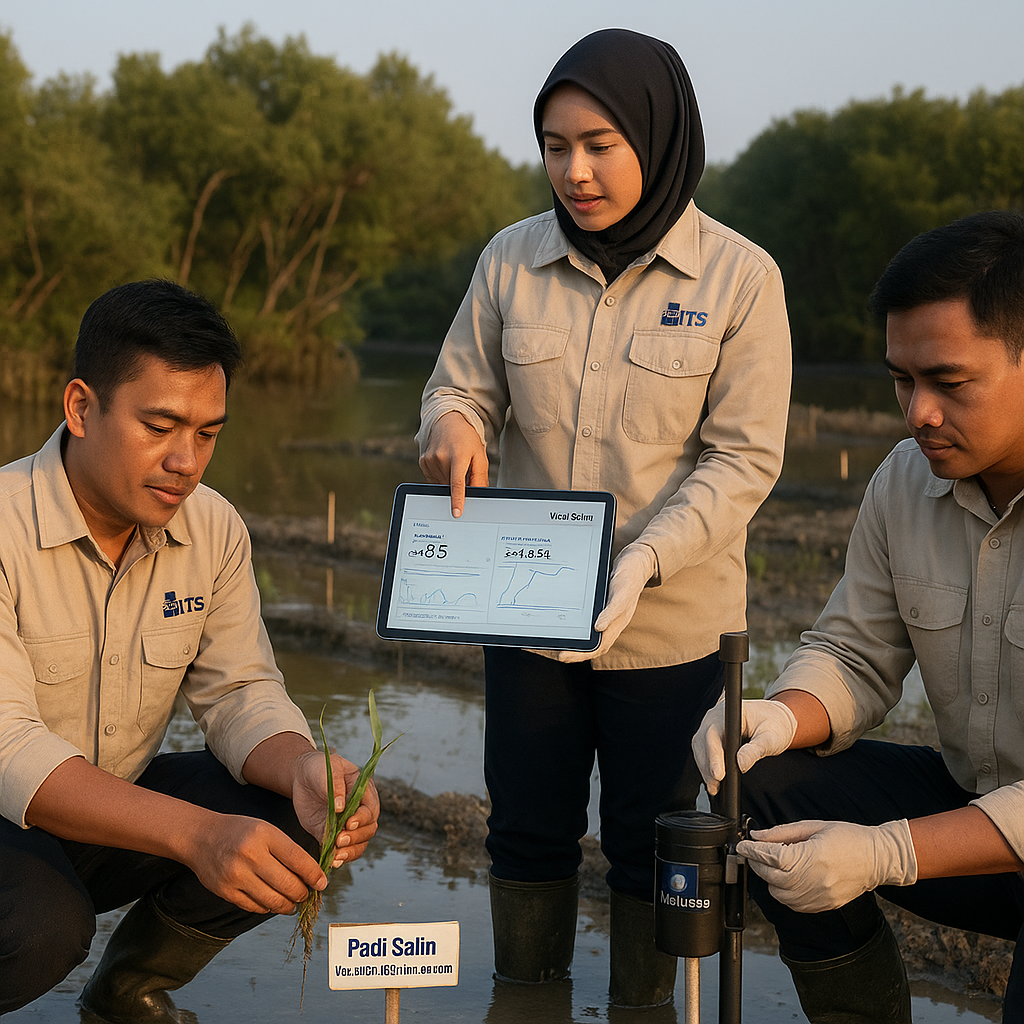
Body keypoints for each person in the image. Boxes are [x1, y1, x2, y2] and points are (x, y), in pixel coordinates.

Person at [417, 28, 791, 1007]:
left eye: (598, 144)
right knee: (525, 827)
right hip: (530, 613)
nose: (573, 172)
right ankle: (525, 996)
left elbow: (741, 458)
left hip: (671, 626)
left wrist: (644, 560)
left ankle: (641, 1003)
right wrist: (454, 427)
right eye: (553, 146)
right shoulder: (510, 261)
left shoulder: (741, 279)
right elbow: (459, 387)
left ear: (658, 137)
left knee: (650, 838)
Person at [0, 279, 380, 1022]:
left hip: (105, 811)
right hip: (7, 815)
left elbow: (240, 693)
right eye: (160, 425)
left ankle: (127, 992)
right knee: (41, 928)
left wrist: (303, 766)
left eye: (207, 433)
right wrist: (198, 835)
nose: (186, 460)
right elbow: (9, 748)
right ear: (81, 408)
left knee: (289, 820)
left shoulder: (211, 528)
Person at [693, 210, 1024, 1023]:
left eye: (950, 382)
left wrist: (890, 851)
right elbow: (854, 650)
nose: (917, 413)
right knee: (764, 782)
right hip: (973, 810)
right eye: (902, 381)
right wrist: (776, 715)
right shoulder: (906, 482)